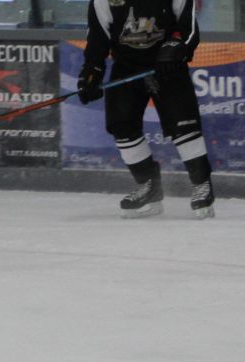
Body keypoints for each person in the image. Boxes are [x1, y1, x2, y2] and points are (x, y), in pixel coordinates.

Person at [76, 0, 216, 219]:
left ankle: (201, 183)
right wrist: (91, 72)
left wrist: (176, 48)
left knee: (183, 124)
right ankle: (148, 185)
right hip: (126, 66)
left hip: (167, 66)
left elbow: (188, 30)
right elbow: (98, 37)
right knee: (121, 124)